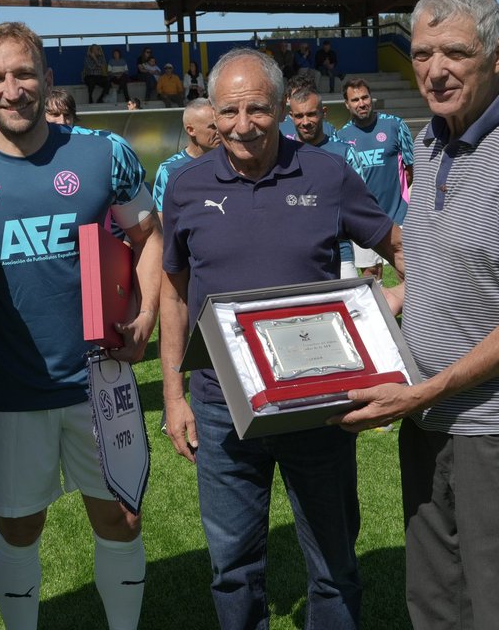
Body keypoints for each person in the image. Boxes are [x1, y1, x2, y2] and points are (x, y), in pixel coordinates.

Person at [335, 0, 499, 630]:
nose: (435, 71)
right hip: (431, 423)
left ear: (498, 55)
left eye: (454, 53)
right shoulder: (428, 141)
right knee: (437, 607)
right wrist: (364, 310)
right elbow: (441, 273)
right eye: (420, 54)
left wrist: (419, 395)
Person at [159, 48, 400, 630]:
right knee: (233, 566)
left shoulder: (327, 171)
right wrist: (173, 395)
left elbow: (399, 246)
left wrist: (395, 308)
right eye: (231, 112)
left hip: (318, 403)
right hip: (221, 406)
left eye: (259, 109)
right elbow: (172, 293)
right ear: (212, 116)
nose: (244, 125)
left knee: (334, 562)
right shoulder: (186, 187)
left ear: (283, 109)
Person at [0, 21, 161, 630]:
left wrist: (145, 311)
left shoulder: (103, 153)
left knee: (121, 517)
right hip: (13, 384)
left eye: (24, 74)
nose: (12, 89)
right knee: (18, 526)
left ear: (47, 79)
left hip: (103, 377)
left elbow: (149, 235)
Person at [283, 73, 368, 279]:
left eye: (311, 114)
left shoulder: (344, 152)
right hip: (294, 256)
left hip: (341, 255)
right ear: (290, 116)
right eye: (299, 116)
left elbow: (360, 202)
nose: (305, 122)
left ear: (324, 112)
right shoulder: (281, 155)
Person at [335, 77, 414, 278]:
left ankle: (410, 310)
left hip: (399, 214)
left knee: (406, 272)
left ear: (371, 98)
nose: (361, 103)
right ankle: (378, 311)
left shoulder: (395, 125)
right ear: (346, 104)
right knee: (371, 274)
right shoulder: (341, 137)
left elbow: (410, 169)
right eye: (355, 100)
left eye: (365, 97)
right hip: (364, 217)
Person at [152, 97, 218, 221]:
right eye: (213, 127)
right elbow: (162, 220)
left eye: (220, 124)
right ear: (191, 130)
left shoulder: (233, 161)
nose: (220, 131)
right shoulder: (170, 169)